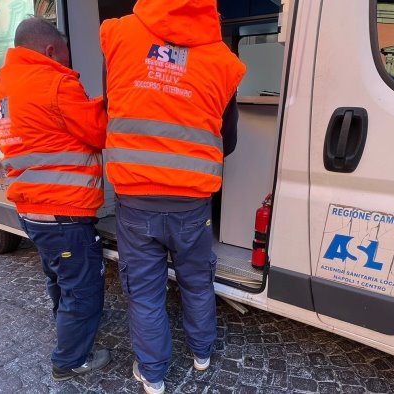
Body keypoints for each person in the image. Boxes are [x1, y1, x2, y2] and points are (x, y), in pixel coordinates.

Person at [100, 1, 245, 393]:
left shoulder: (119, 35)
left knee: (145, 292)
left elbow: (112, 108)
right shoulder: (223, 61)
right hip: (192, 204)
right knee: (196, 281)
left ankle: (153, 374)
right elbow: (227, 140)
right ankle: (201, 354)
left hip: (135, 200)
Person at [0, 17, 111, 381]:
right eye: (65, 55)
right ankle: (70, 360)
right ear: (49, 50)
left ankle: (68, 330)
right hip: (64, 211)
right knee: (83, 287)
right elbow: (99, 131)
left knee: (59, 278)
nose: (67, 64)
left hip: (31, 207)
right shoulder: (55, 83)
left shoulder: (3, 88)